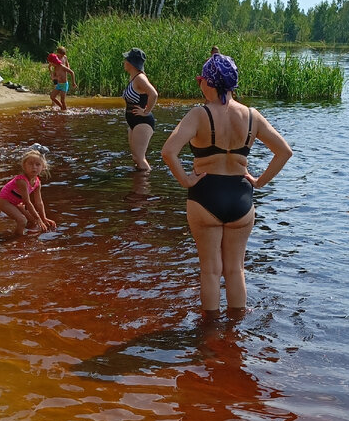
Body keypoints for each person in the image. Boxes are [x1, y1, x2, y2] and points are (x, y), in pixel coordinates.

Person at [160, 53, 292, 317]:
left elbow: (168, 151)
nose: (199, 85)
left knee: (210, 270)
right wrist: (260, 181)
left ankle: (210, 337)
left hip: (205, 196)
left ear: (210, 82)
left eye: (200, 80)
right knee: (236, 269)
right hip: (241, 199)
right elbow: (284, 152)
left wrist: (186, 180)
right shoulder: (252, 116)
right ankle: (235, 337)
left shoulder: (199, 114)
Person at [0, 149, 55, 236]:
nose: (34, 167)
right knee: (22, 220)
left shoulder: (37, 182)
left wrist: (43, 218)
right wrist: (39, 219)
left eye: (38, 164)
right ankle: (17, 239)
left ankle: (28, 235)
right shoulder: (22, 181)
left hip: (17, 203)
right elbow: (27, 202)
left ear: (43, 167)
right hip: (5, 201)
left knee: (33, 221)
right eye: (30, 164)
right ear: (24, 166)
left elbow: (39, 202)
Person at [122, 48, 159, 171]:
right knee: (135, 157)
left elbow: (153, 94)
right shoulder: (133, 78)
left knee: (140, 158)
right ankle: (138, 185)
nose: (124, 62)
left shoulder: (140, 78)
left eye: (126, 59)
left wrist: (146, 111)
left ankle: (145, 186)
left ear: (131, 63)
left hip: (143, 122)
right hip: (134, 122)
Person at [47, 45, 76, 111]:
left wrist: (67, 69)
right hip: (57, 74)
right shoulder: (55, 58)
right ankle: (54, 103)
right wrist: (53, 73)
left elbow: (68, 65)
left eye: (63, 55)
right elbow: (51, 66)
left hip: (63, 77)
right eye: (61, 55)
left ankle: (63, 109)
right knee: (54, 91)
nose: (62, 56)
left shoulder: (64, 58)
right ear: (57, 54)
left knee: (62, 100)